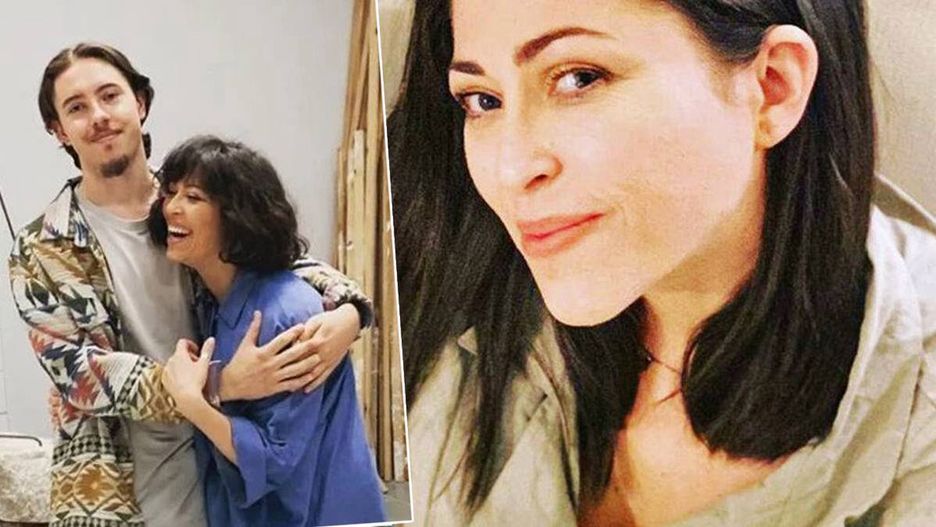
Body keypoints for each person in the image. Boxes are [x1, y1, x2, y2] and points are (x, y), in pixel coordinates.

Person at [388, 0, 936, 525]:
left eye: (579, 78)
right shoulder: (444, 281)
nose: (509, 171)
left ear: (773, 87)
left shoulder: (915, 409)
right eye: (482, 100)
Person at [8, 42, 372, 527]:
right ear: (58, 130)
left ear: (140, 103)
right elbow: (77, 373)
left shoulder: (190, 204)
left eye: (110, 96)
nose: (99, 116)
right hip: (112, 491)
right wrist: (217, 383)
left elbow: (275, 254)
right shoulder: (41, 248)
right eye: (76, 108)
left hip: (219, 478)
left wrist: (350, 311)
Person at [153, 135, 386, 527]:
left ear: (236, 216)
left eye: (193, 197)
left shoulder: (287, 312)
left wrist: (193, 403)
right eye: (170, 193)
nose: (172, 207)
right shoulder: (211, 300)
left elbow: (275, 458)